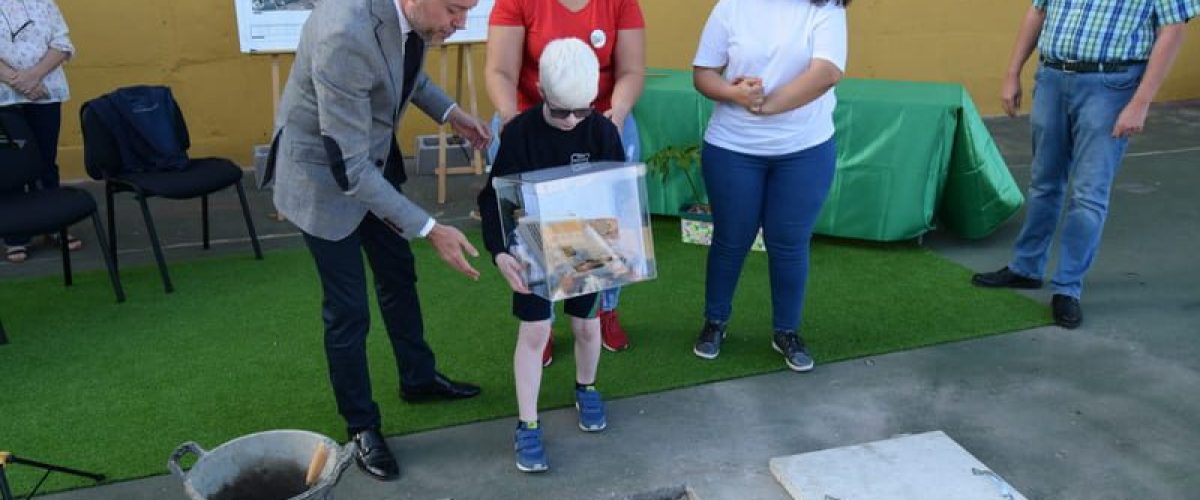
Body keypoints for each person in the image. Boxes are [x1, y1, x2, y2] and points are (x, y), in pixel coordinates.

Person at [264, 0, 492, 482]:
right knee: (348, 311)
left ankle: (418, 378)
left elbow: (400, 73)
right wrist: (431, 228)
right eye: (455, 9)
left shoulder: (411, 21)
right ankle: (362, 427)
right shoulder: (343, 33)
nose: (461, 23)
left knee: (397, 274)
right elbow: (348, 169)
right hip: (325, 178)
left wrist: (451, 112)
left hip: (369, 165)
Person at [972, 0, 1197, 329]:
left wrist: (1141, 102)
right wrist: (1012, 72)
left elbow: (1173, 30)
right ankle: (1026, 267)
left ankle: (1067, 288)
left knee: (1089, 192)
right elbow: (1038, 11)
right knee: (1043, 182)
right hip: (1051, 76)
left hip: (1112, 85)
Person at [477, 37, 626, 473]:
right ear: (541, 92)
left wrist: (619, 241)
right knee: (535, 332)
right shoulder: (521, 132)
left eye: (582, 110)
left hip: (586, 243)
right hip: (533, 244)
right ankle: (527, 423)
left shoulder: (601, 130)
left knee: (586, 324)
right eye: (562, 111)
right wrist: (500, 252)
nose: (572, 121)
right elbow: (494, 199)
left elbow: (619, 191)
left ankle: (587, 387)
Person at [689, 0, 848, 372]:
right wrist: (735, 94)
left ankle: (786, 331)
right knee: (731, 238)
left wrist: (766, 106)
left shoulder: (827, 9)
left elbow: (827, 72)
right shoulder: (731, 7)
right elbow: (703, 74)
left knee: (789, 241)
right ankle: (715, 322)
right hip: (732, 148)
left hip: (804, 149)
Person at [485, 0, 645, 362]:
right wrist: (512, 122)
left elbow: (632, 70)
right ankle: (543, 318)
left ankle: (602, 307)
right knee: (535, 224)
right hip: (533, 119)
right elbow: (500, 70)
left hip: (601, 119)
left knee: (604, 219)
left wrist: (613, 116)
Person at [0, 0, 78, 263]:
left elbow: (61, 43)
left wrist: (33, 76)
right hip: (4, 99)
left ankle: (55, 224)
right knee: (9, 166)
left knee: (46, 161)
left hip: (45, 93)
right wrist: (19, 81)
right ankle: (15, 234)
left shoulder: (44, 2)